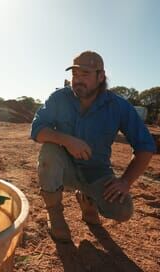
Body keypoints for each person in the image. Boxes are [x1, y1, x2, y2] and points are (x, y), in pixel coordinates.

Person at [31, 51, 156, 242]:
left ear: (101, 76)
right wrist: (67, 140)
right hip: (64, 169)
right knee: (49, 151)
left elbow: (146, 146)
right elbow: (37, 130)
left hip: (96, 172)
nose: (78, 80)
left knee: (122, 210)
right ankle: (55, 215)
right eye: (75, 75)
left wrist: (125, 182)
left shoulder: (118, 106)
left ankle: (87, 200)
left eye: (85, 74)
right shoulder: (59, 98)